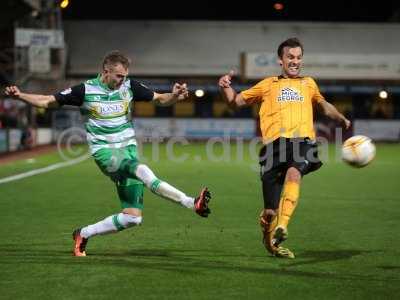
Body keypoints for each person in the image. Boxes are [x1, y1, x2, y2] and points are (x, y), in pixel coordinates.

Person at [5, 50, 212, 257]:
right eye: (119, 76)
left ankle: (83, 234)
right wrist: (20, 95)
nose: (123, 80)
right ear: (106, 71)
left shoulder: (129, 86)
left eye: (125, 76)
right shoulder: (85, 90)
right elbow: (46, 100)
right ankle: (191, 202)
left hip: (128, 151)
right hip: (105, 153)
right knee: (142, 170)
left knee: (133, 218)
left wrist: (174, 96)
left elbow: (160, 99)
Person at [218, 38, 350, 259]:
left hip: (302, 142)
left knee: (294, 173)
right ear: (281, 60)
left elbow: (324, 106)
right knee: (270, 211)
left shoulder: (309, 84)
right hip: (273, 148)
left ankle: (283, 225)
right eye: (290, 57)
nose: (295, 61)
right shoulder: (267, 84)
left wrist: (342, 118)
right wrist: (226, 87)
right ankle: (270, 239)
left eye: (298, 57)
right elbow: (235, 102)